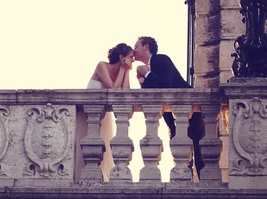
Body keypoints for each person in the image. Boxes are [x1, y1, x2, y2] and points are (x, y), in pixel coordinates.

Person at [133, 36, 205, 178]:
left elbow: (167, 85)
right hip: (173, 119)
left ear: (146, 47)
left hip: (191, 114)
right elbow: (151, 96)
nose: (134, 51)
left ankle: (204, 185)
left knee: (198, 151)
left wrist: (147, 73)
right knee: (182, 156)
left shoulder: (161, 59)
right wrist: (142, 81)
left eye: (136, 47)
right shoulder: (148, 67)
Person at [86, 43, 133, 181]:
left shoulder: (122, 71)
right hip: (90, 115)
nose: (133, 60)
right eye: (131, 57)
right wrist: (123, 69)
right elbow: (113, 90)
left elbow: (125, 93)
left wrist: (127, 71)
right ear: (121, 57)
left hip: (104, 116)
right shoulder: (102, 66)